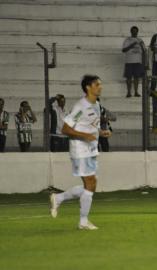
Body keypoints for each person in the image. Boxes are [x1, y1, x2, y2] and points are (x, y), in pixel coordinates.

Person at [49, 75, 112, 230]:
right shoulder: (80, 106)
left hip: (91, 149)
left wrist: (101, 132)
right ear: (88, 87)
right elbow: (66, 129)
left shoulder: (96, 105)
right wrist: (85, 136)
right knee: (91, 183)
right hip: (79, 149)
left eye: (100, 84)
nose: (100, 87)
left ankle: (59, 198)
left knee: (89, 185)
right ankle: (83, 221)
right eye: (97, 84)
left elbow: (90, 125)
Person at [122, 26, 146, 97]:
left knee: (136, 78)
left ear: (137, 32)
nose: (134, 32)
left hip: (138, 62)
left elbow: (144, 51)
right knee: (128, 78)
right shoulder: (127, 40)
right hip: (129, 61)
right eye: (133, 31)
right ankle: (128, 92)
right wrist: (131, 45)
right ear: (131, 31)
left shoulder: (140, 40)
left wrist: (144, 63)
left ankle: (136, 92)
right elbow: (123, 50)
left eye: (136, 31)